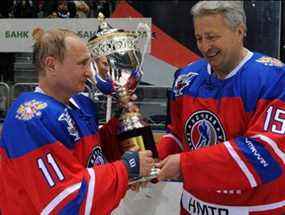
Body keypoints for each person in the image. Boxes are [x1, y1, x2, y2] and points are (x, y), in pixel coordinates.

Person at [0, 27, 155, 214]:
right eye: (82, 64)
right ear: (51, 65)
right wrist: (125, 169)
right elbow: (65, 201)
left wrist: (122, 122)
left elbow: (92, 156)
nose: (90, 73)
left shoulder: (81, 103)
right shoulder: (29, 119)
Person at [156, 1, 285, 215]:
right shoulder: (186, 78)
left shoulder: (275, 78)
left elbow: (265, 153)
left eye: (212, 37)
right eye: (199, 38)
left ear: (240, 31)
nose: (205, 47)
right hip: (192, 208)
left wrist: (185, 165)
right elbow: (177, 133)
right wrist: (154, 156)